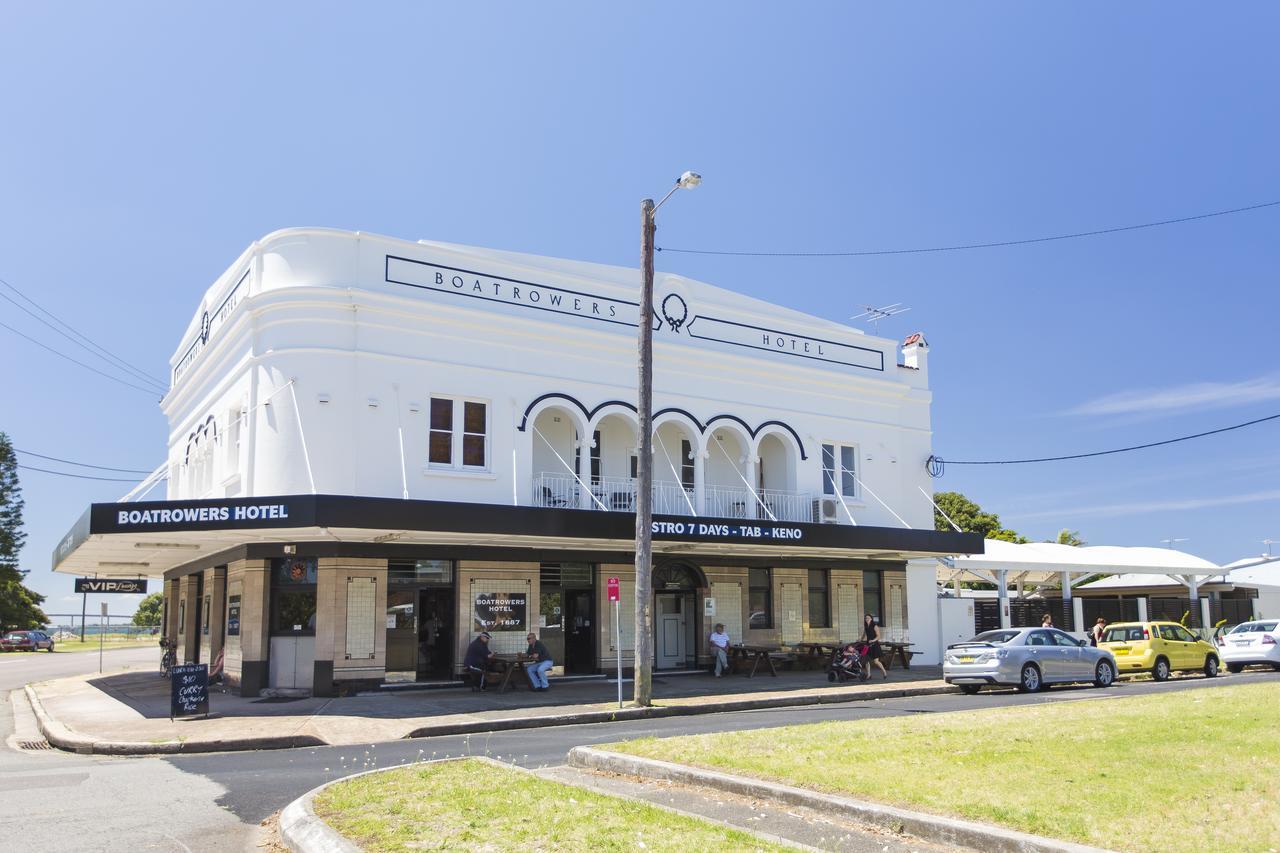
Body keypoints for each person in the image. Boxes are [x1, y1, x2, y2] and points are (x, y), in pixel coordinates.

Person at [863, 613, 888, 679]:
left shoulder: (875, 626)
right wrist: (860, 639)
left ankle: (884, 672)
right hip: (868, 645)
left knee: (876, 661)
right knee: (866, 661)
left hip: (874, 645)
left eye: (868, 618)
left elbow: (879, 636)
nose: (867, 619)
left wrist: (873, 640)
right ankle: (869, 675)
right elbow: (864, 634)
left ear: (871, 619)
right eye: (866, 618)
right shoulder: (866, 626)